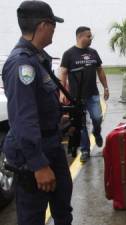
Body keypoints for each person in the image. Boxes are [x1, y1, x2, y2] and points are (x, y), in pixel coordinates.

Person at [1, 1, 73, 224]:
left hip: (51, 144)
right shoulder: (22, 64)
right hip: (34, 153)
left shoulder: (38, 58)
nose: (54, 30)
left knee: (62, 209)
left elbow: (39, 104)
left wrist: (57, 118)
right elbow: (23, 119)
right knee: (33, 217)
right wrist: (39, 165)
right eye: (53, 25)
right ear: (43, 25)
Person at [59, 26, 109, 163]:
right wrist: (62, 92)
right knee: (81, 125)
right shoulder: (68, 54)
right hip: (76, 97)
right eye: (89, 36)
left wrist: (106, 87)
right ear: (80, 37)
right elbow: (63, 73)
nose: (91, 38)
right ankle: (85, 150)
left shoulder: (93, 52)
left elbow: (100, 71)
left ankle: (97, 132)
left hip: (93, 94)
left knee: (97, 117)